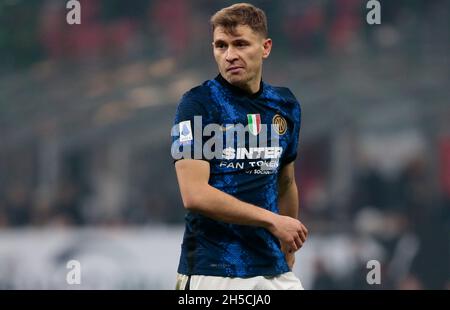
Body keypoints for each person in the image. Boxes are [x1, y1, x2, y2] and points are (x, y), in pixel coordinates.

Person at [171, 3, 308, 290]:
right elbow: (194, 194)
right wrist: (273, 221)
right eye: (221, 46)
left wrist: (288, 247)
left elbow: (285, 182)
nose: (230, 55)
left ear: (265, 47)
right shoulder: (197, 104)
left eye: (240, 44)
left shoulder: (285, 105)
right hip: (214, 270)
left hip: (272, 269)